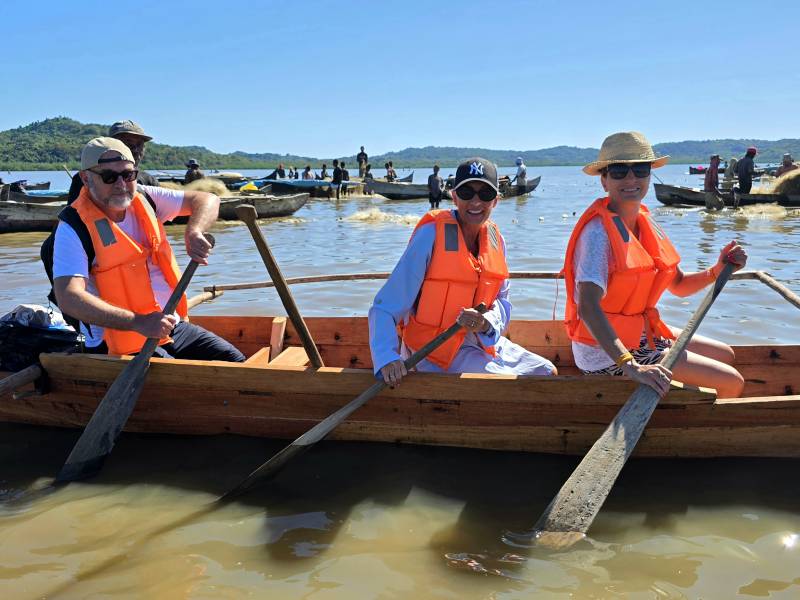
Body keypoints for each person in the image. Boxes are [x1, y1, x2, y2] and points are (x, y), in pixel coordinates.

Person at [563, 131, 747, 398]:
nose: (631, 179)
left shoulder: (646, 222)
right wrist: (631, 366)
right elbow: (588, 307)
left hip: (640, 334)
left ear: (649, 175)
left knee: (726, 355)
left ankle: (682, 403)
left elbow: (680, 285)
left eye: (640, 169)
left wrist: (716, 271)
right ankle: (702, 432)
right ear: (604, 180)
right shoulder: (597, 234)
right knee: (732, 382)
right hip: (605, 355)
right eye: (618, 171)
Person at [369, 157, 557, 387]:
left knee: (547, 372)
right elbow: (385, 306)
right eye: (467, 192)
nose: (476, 201)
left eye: (485, 194)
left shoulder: (497, 241)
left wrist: (485, 323)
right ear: (454, 196)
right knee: (511, 386)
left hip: (482, 343)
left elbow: (502, 301)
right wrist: (388, 359)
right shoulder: (430, 237)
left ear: (496, 201)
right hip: (433, 351)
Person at [52, 137, 244, 362]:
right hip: (120, 338)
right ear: (86, 178)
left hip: (169, 324)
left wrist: (194, 230)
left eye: (128, 175)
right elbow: (69, 297)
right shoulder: (73, 227)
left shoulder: (145, 197)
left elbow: (208, 199)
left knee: (235, 360)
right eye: (109, 177)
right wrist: (138, 322)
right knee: (181, 378)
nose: (121, 184)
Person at [68, 120, 158, 202]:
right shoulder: (87, 179)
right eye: (128, 143)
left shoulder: (150, 181)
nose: (135, 149)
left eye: (140, 144)